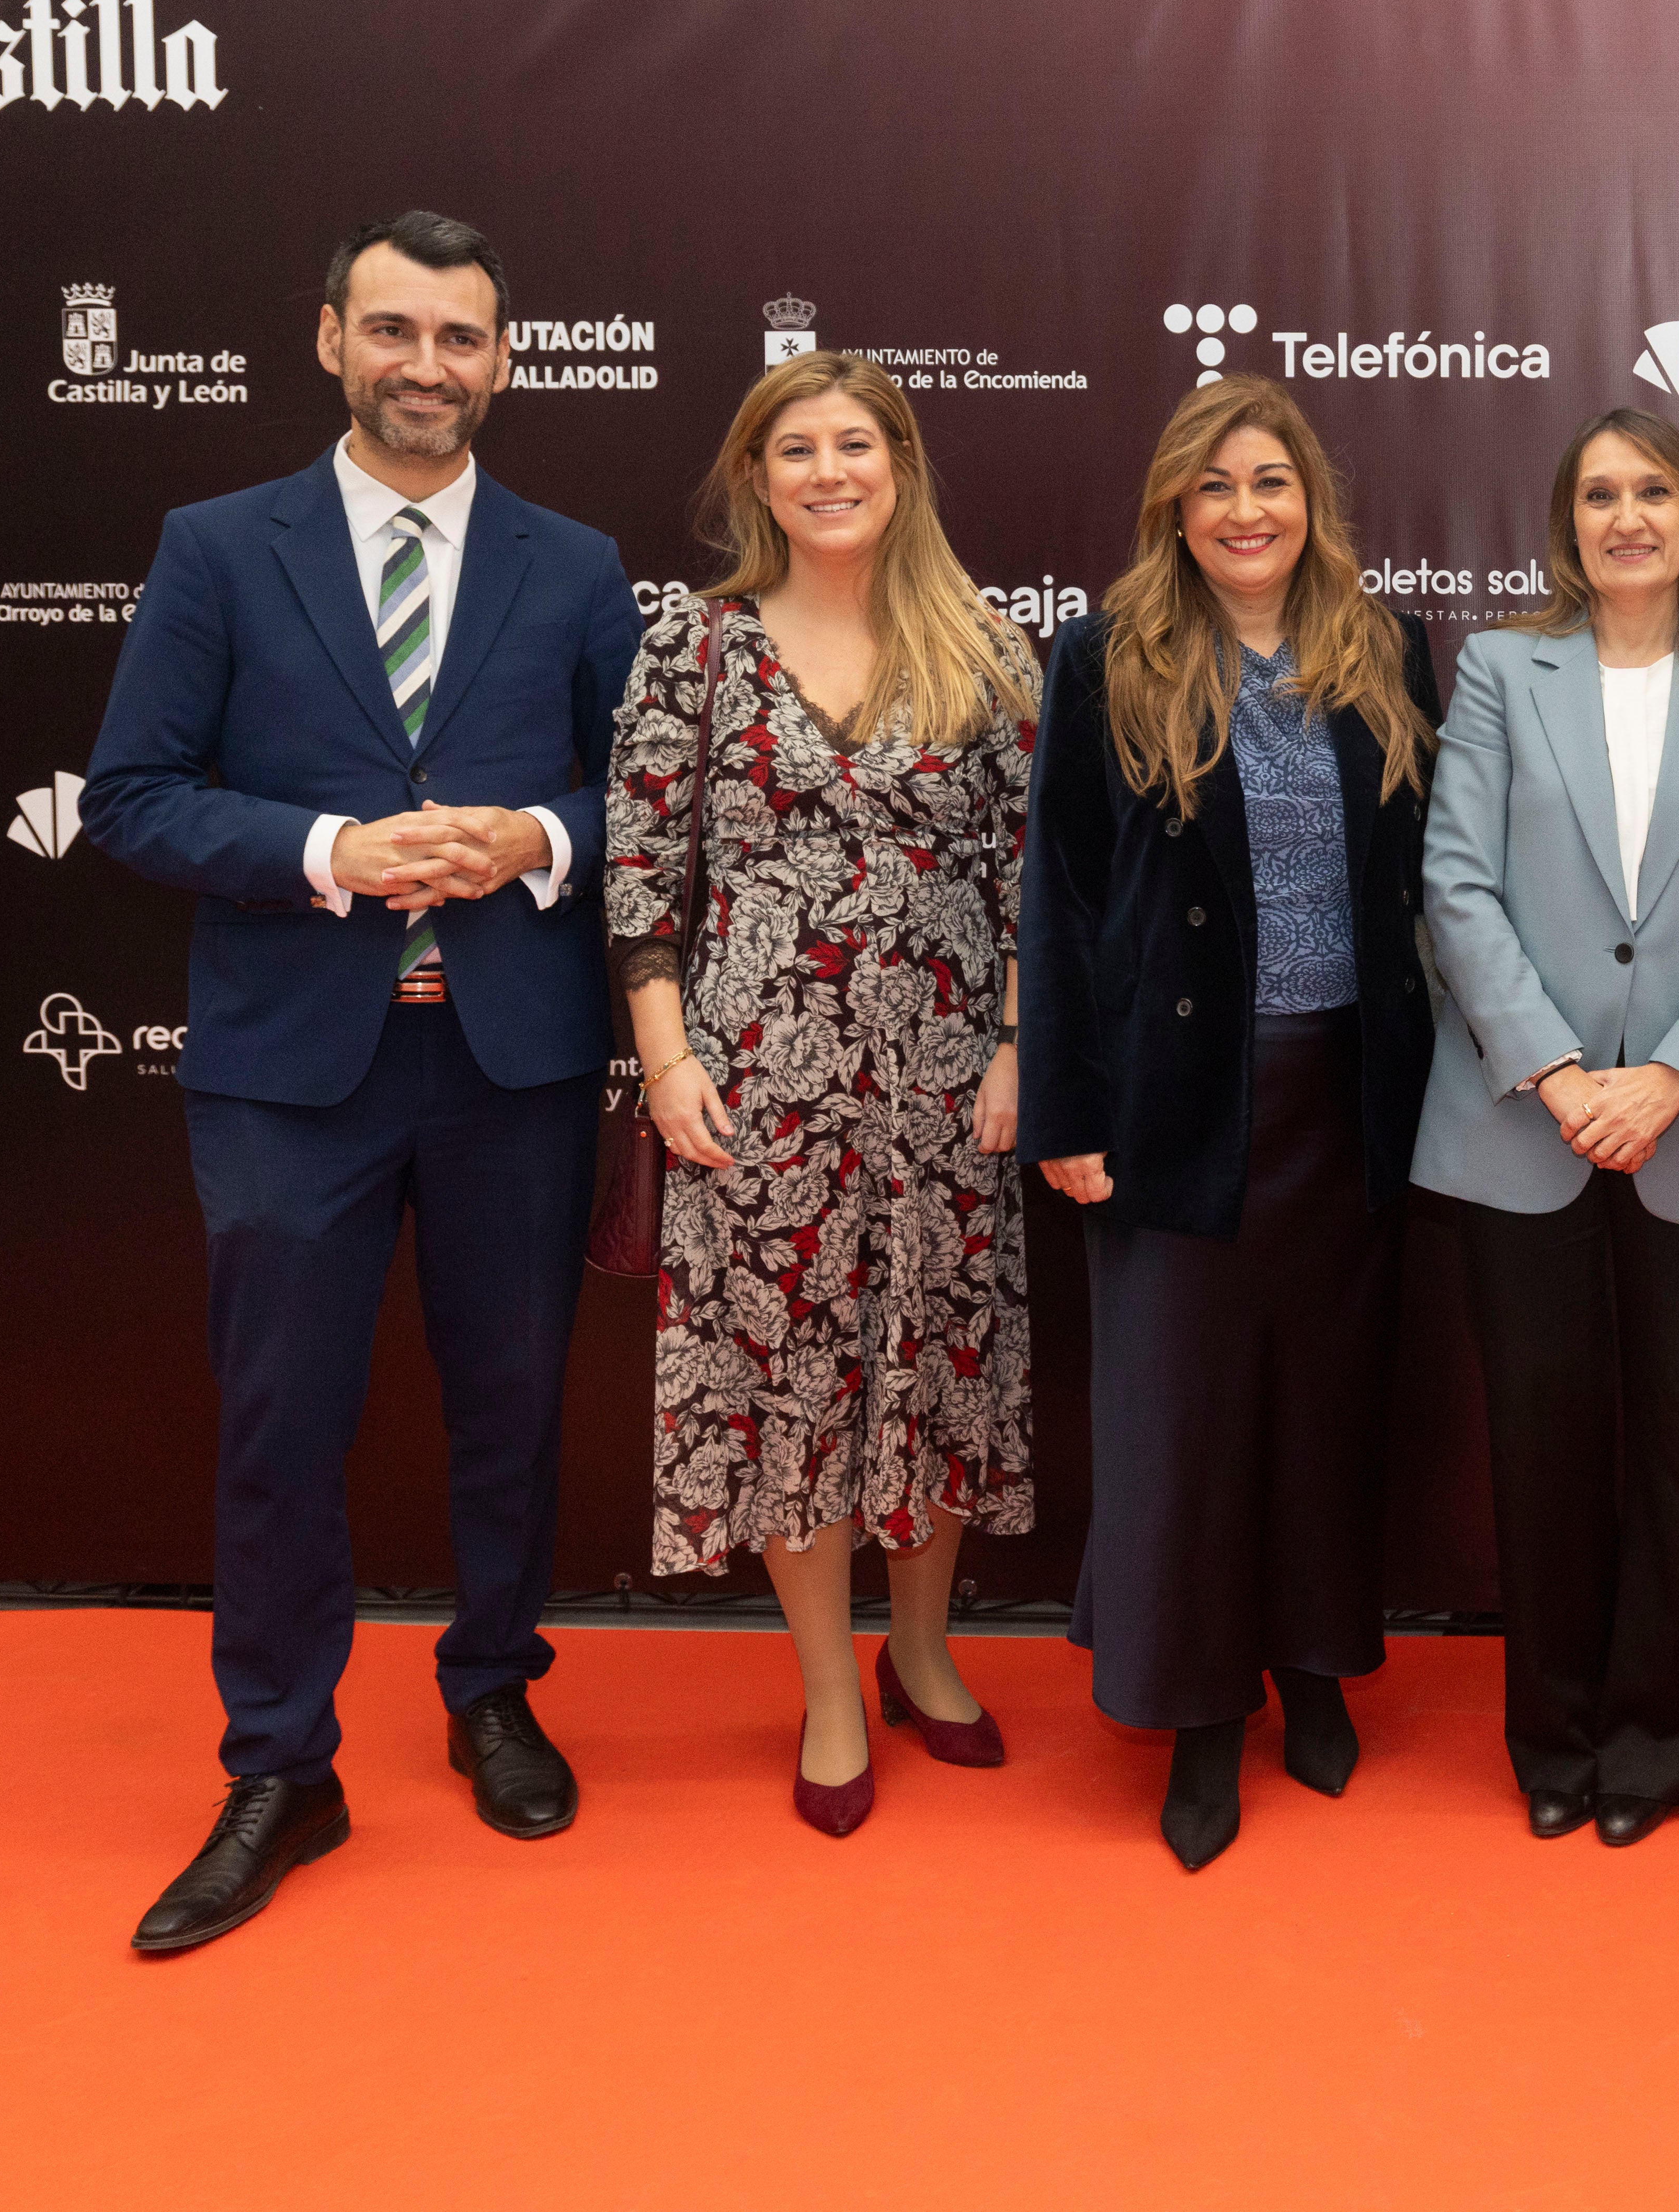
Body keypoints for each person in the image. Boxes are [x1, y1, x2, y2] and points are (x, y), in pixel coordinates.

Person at [83, 212, 643, 1953]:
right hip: (288, 1072)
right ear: (328, 338)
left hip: (512, 1064)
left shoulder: (573, 563)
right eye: (392, 331)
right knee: (279, 1423)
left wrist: (536, 835)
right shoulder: (215, 549)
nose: (426, 367)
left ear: (502, 357)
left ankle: (491, 1691)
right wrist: (333, 844)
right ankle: (279, 1763)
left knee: (511, 1403)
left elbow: (658, 797)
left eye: (460, 338)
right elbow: (133, 796)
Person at [608, 352, 1040, 1837]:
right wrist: (666, 1059)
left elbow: (1039, 875)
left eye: (856, 443)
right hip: (756, 1092)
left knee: (935, 1367)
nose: (828, 471)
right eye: (796, 448)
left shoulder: (986, 647)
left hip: (943, 1090)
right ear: (757, 478)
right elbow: (642, 873)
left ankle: (921, 1648)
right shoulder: (696, 648)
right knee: (792, 1381)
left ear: (901, 465)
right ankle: (830, 1686)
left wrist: (1013, 1044)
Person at [1019, 375, 1443, 1872]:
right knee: (1182, 1419)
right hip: (1173, 1100)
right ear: (1173, 513)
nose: (1245, 511)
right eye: (1214, 489)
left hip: (1350, 1096)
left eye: (1269, 482)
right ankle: (1200, 1710)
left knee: (1323, 1402)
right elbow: (1060, 902)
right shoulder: (1104, 656)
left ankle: (1315, 1667)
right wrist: (1064, 1102)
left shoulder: (1387, 652)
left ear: (1310, 501)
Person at [1414, 408, 1679, 1848]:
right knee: (1542, 1448)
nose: (1627, 515)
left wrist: (1673, 1076)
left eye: (1653, 490)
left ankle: (1657, 1748)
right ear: (1567, 523)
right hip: (1521, 1122)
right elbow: (1454, 883)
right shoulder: (1501, 674)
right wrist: (1559, 1069)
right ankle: (1557, 1739)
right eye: (1599, 494)